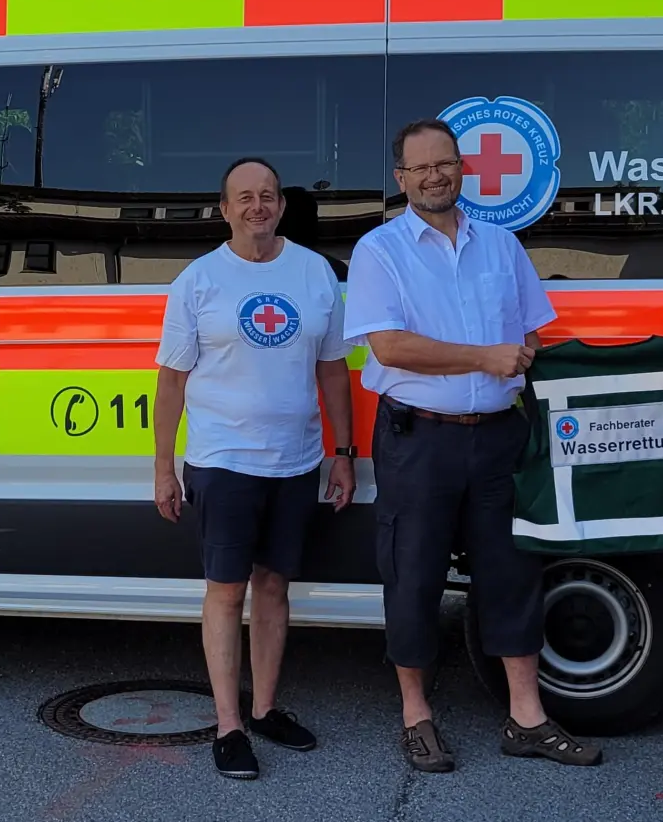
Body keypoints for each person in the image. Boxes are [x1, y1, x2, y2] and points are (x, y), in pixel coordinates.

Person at [342, 119, 602, 773]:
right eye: (421, 167)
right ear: (401, 178)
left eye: (446, 164)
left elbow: (532, 331)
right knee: (413, 576)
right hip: (418, 439)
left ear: (463, 169)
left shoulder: (501, 245)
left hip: (497, 436)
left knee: (512, 575)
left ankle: (527, 718)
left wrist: (514, 358)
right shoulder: (380, 250)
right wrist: (485, 357)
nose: (436, 176)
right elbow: (389, 347)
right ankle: (416, 716)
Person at [153, 157, 358, 781]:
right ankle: (228, 725)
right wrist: (163, 467)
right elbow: (171, 381)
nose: (257, 206)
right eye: (244, 197)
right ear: (224, 209)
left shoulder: (314, 271)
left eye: (267, 195)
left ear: (282, 206)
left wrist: (343, 452)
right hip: (223, 460)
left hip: (296, 460)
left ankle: (265, 709)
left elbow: (333, 371)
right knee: (226, 590)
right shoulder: (198, 280)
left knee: (274, 587)